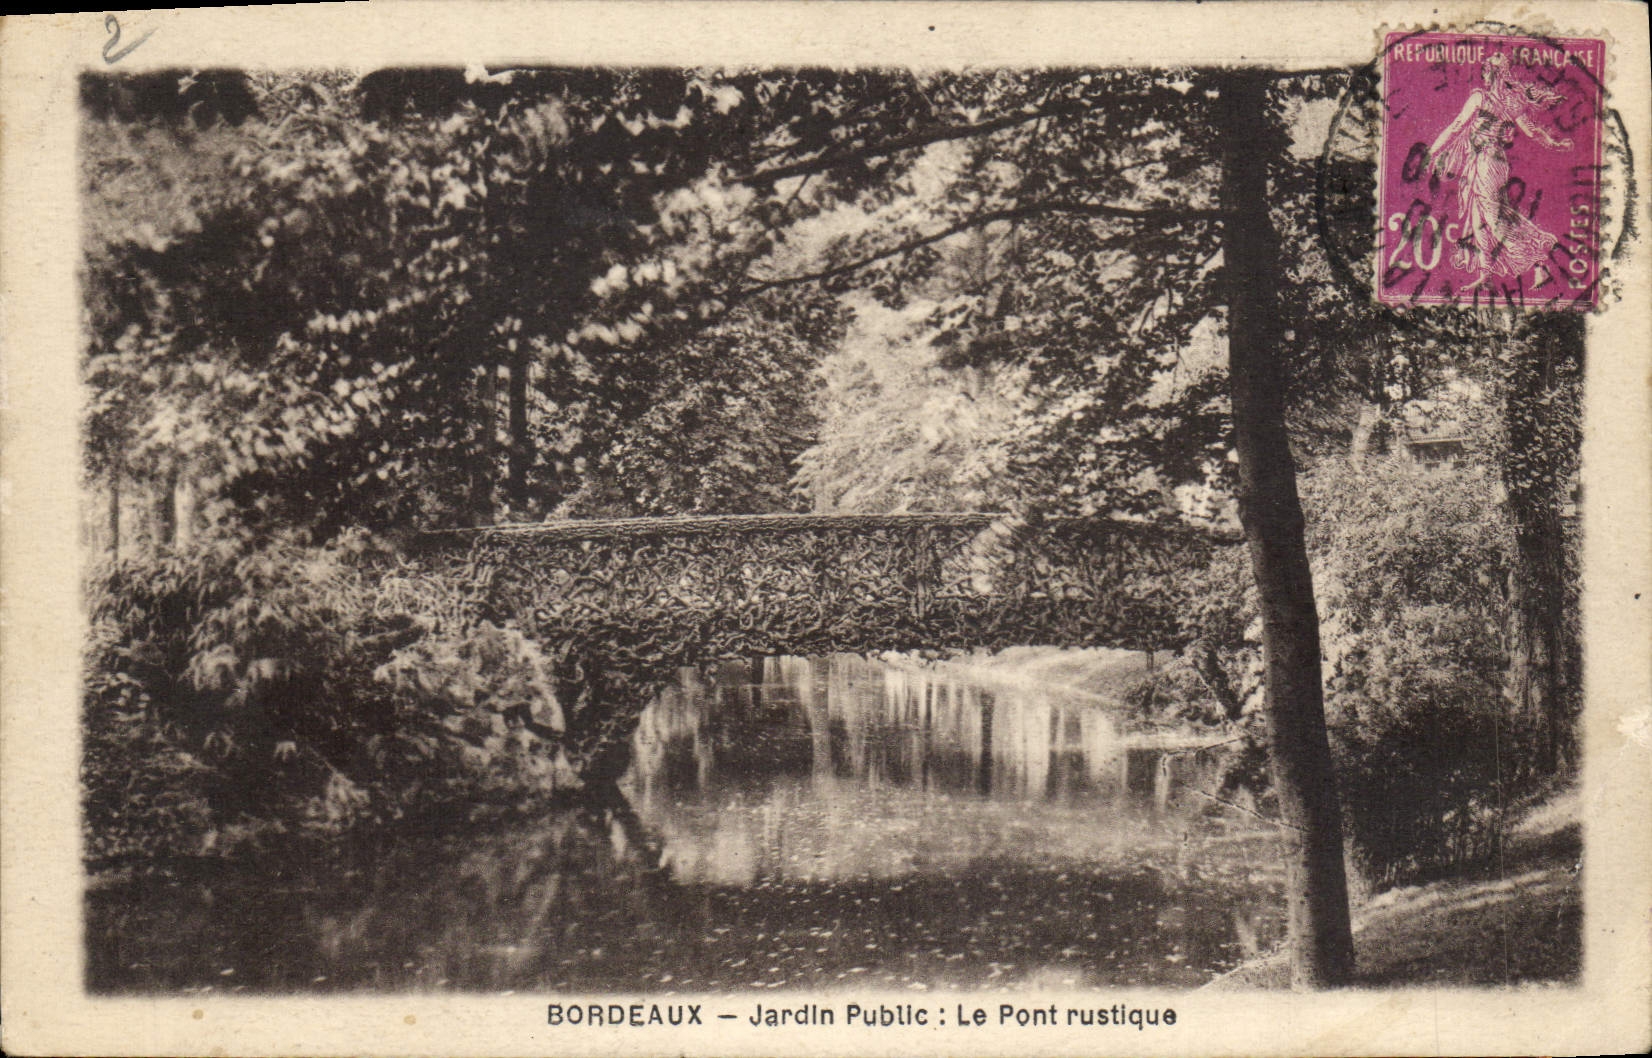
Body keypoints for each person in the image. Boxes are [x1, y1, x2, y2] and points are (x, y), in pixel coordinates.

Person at [1424, 52, 1574, 290]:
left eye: (1485, 71)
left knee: (1494, 219)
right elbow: (1533, 131)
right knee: (1478, 218)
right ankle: (1487, 275)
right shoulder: (1512, 102)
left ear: (1488, 73)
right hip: (1486, 162)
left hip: (1486, 162)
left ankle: (1539, 263)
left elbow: (1455, 127)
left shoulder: (1479, 98)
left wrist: (1431, 153)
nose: (1484, 76)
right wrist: (1553, 144)